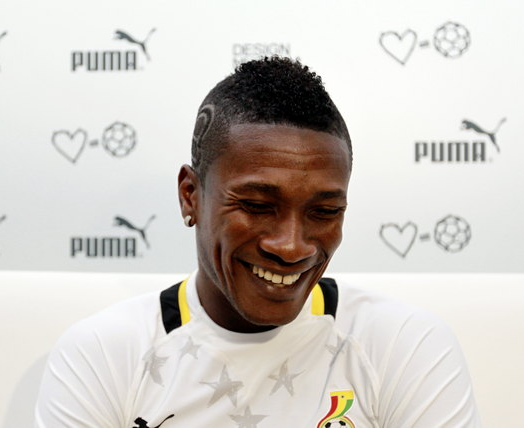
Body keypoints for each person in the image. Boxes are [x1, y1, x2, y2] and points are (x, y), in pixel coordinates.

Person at [35, 57, 481, 427]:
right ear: (191, 195)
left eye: (324, 212)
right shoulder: (104, 353)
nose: (292, 247)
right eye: (257, 205)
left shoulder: (405, 344)